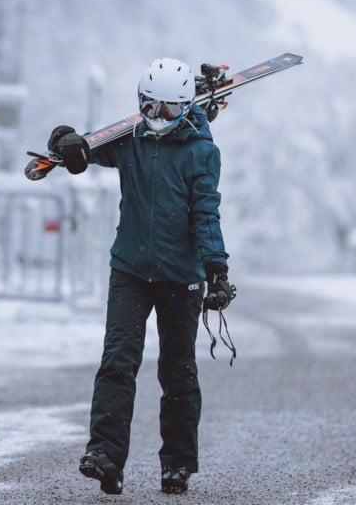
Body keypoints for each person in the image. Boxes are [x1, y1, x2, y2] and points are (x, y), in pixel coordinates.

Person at [45, 57, 236, 495]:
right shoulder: (130, 140)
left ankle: (177, 464)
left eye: (169, 110)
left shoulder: (202, 152)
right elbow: (84, 149)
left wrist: (217, 270)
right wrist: (63, 139)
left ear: (187, 107)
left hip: (179, 276)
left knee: (178, 371)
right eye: (149, 107)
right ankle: (105, 456)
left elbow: (207, 214)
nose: (157, 118)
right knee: (117, 362)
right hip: (130, 269)